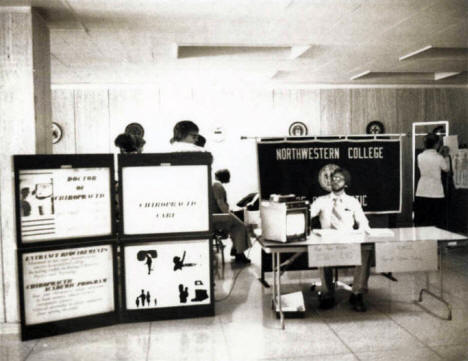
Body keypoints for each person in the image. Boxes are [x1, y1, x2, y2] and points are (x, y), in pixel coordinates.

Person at [309, 167, 371, 312]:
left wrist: (364, 230)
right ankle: (327, 294)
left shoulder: (353, 202)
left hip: (348, 242)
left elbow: (363, 221)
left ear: (346, 183)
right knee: (320, 249)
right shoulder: (321, 201)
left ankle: (357, 293)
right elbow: (307, 215)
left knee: (366, 250)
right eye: (333, 178)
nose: (335, 181)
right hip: (328, 242)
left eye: (339, 179)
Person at [212, 169, 251, 264]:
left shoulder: (214, 184)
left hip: (213, 216)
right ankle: (239, 254)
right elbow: (220, 203)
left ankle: (236, 249)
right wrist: (229, 214)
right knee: (241, 226)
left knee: (236, 224)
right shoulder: (217, 185)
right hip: (217, 217)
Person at [414, 133, 450, 228]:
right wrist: (445, 155)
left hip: (422, 191)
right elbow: (446, 169)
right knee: (436, 221)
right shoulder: (439, 158)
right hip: (436, 192)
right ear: (437, 144)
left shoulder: (420, 156)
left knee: (423, 222)